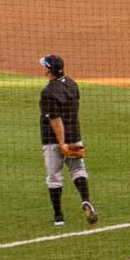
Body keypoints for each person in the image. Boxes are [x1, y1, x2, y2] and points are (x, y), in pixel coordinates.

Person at [40, 55, 97, 227]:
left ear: (49, 70)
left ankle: (58, 216)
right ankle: (85, 199)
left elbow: (55, 120)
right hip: (75, 135)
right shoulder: (72, 84)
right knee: (78, 170)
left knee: (54, 177)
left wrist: (62, 143)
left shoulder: (48, 92)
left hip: (53, 139)